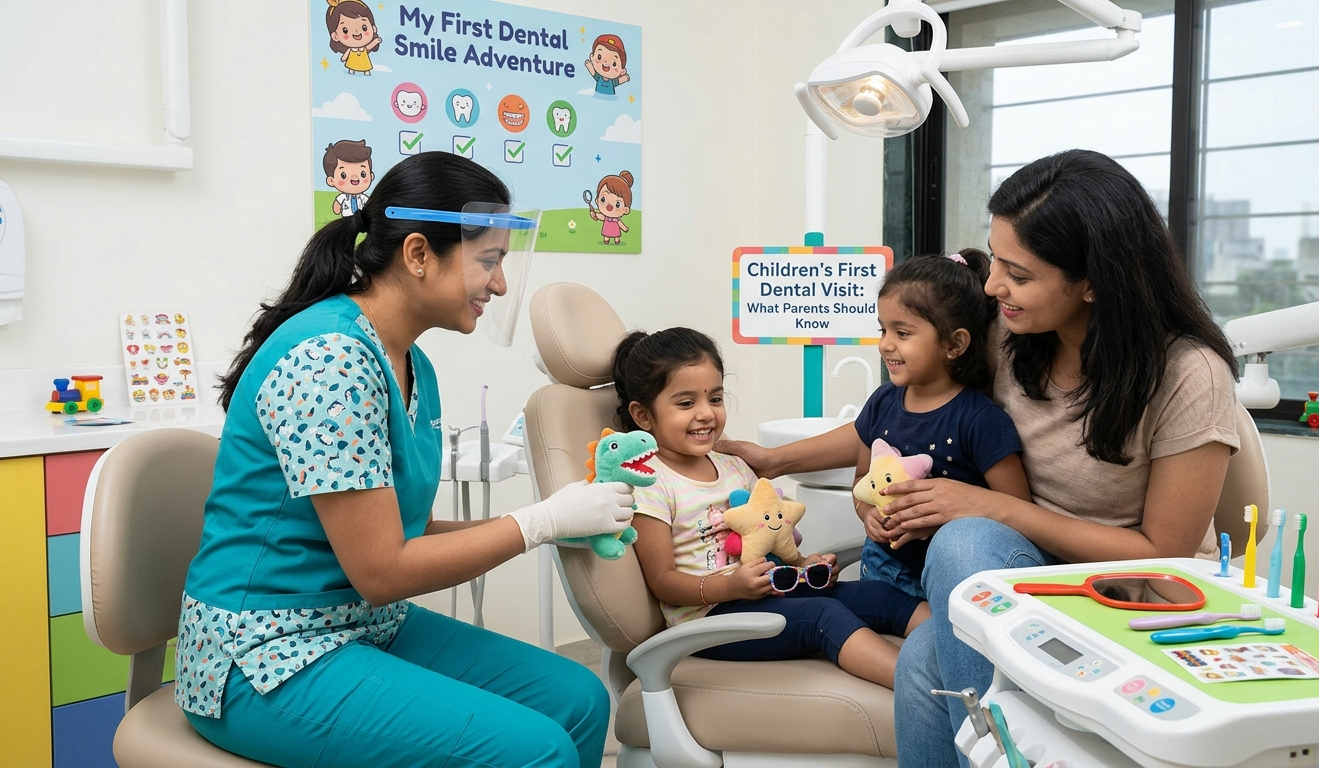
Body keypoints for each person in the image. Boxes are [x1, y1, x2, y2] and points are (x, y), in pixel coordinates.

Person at [718, 149, 1240, 766]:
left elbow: (1166, 557)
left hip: (1123, 591)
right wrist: (789, 466)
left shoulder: (1188, 375)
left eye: (1018, 276)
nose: (993, 288)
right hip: (1018, 573)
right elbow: (896, 419)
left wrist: (989, 508)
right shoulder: (1006, 334)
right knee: (922, 654)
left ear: (1095, 280)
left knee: (961, 548)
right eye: (996, 264)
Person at [178, 151, 635, 768]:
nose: (499, 284)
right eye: (489, 261)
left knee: (577, 700)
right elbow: (384, 569)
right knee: (534, 751)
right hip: (262, 652)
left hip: (362, 624)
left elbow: (401, 536)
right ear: (418, 254)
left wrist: (555, 517)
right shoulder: (330, 362)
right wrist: (540, 525)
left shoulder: (410, 365)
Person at [615, 327, 930, 689]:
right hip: (711, 620)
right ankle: (927, 694)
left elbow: (767, 537)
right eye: (686, 404)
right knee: (822, 616)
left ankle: (971, 660)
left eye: (715, 399)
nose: (706, 414)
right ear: (643, 415)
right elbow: (663, 582)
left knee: (882, 596)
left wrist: (802, 564)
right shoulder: (652, 482)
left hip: (764, 594)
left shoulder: (731, 464)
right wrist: (730, 588)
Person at [851, 249, 1028, 600]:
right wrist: (867, 512)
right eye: (883, 329)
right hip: (879, 568)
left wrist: (945, 523)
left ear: (954, 343)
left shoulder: (981, 420)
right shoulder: (881, 403)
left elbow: (1016, 514)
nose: (885, 344)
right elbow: (860, 481)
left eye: (902, 333)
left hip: (956, 582)